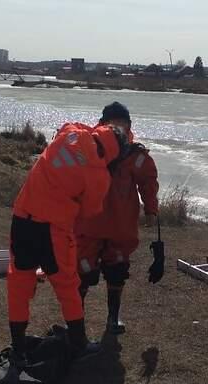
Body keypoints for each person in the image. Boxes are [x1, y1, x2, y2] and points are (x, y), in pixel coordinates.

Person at [7, 120, 130, 360]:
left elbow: (68, 124)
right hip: (52, 229)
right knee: (67, 285)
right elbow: (89, 211)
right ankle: (79, 342)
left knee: (19, 283)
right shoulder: (99, 176)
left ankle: (18, 345)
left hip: (21, 218)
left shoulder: (71, 134)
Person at [75, 102, 160, 334]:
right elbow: (67, 176)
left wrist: (151, 209)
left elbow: (148, 181)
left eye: (122, 124)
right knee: (82, 272)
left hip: (120, 227)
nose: (118, 129)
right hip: (88, 225)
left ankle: (113, 319)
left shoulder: (136, 156)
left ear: (129, 126)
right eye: (112, 124)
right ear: (102, 124)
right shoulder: (86, 147)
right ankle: (75, 321)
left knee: (117, 271)